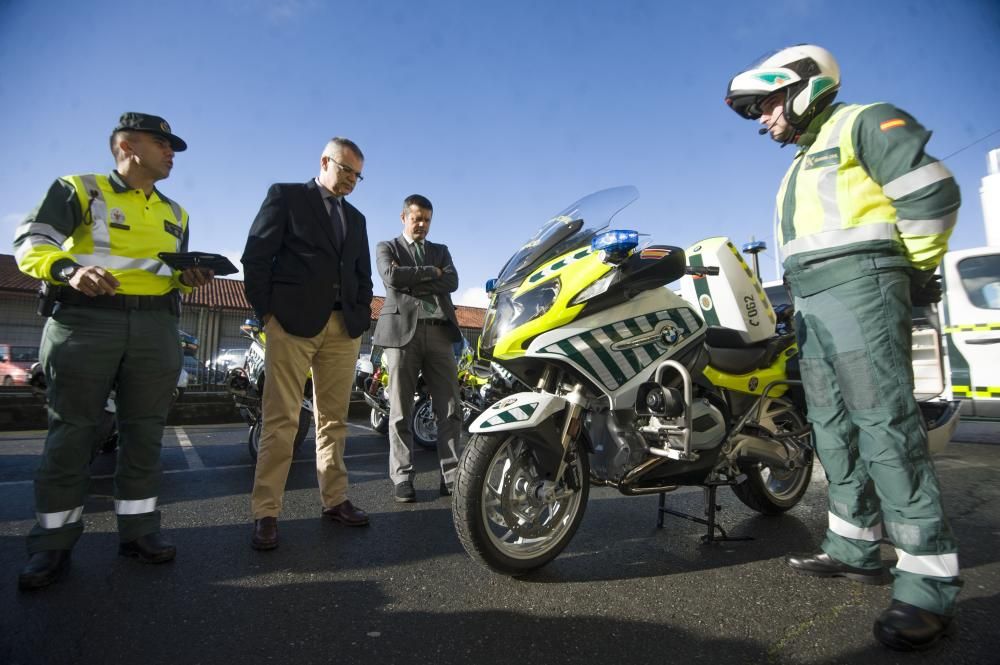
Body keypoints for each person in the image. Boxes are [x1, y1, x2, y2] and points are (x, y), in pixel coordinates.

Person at [725, 44, 961, 651]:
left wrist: (912, 271)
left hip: (862, 286)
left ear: (804, 86)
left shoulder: (864, 121)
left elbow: (932, 194)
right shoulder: (800, 163)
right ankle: (853, 545)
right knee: (830, 425)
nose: (763, 119)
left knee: (884, 425)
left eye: (769, 103)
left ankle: (926, 584)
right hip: (811, 299)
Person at [12, 112, 214, 590]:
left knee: (144, 434)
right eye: (162, 143)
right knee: (72, 434)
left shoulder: (177, 212)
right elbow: (30, 242)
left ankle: (139, 531)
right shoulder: (78, 189)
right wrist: (67, 270)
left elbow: (167, 271)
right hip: (86, 319)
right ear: (126, 146)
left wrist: (189, 277)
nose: (171, 153)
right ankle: (52, 544)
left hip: (155, 325)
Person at [242, 137, 373, 550]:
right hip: (292, 325)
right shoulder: (286, 197)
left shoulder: (357, 218)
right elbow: (256, 256)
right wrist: (267, 314)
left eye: (358, 175)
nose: (352, 180)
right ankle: (266, 512)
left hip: (342, 330)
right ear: (324, 161)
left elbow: (363, 275)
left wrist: (358, 313)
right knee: (282, 420)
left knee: (333, 421)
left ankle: (334, 500)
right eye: (346, 170)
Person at [373, 194, 463, 502]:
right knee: (400, 410)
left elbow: (451, 282)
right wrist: (431, 273)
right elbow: (391, 276)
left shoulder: (441, 251)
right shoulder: (387, 248)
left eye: (426, 219)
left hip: (439, 334)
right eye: (416, 219)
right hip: (402, 336)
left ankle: (451, 476)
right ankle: (402, 476)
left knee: (450, 408)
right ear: (403, 218)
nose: (422, 224)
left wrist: (413, 279)